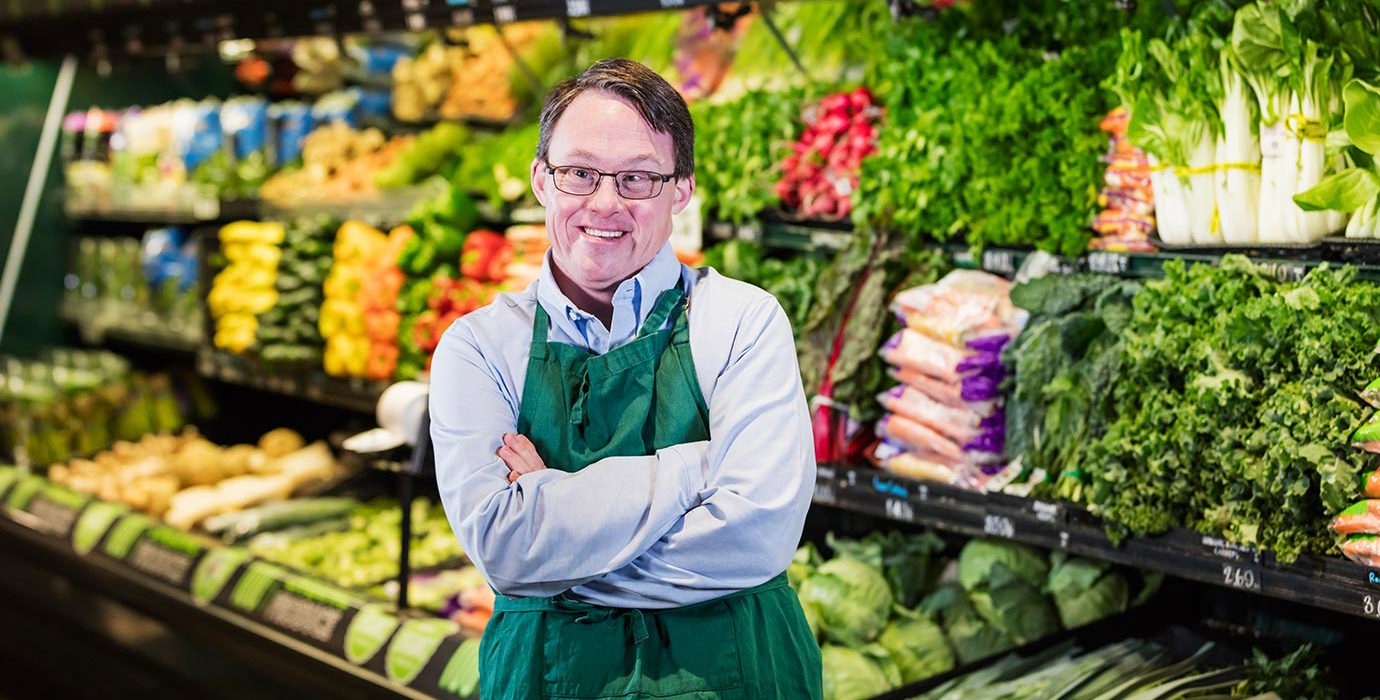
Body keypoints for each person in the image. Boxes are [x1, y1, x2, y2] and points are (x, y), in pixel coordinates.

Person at [430, 58, 822, 699]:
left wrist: (557, 545)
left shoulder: (742, 320)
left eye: (638, 177)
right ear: (540, 180)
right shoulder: (478, 348)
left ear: (682, 190)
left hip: (741, 673)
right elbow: (505, 549)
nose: (605, 202)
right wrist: (695, 471)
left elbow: (757, 539)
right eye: (579, 173)